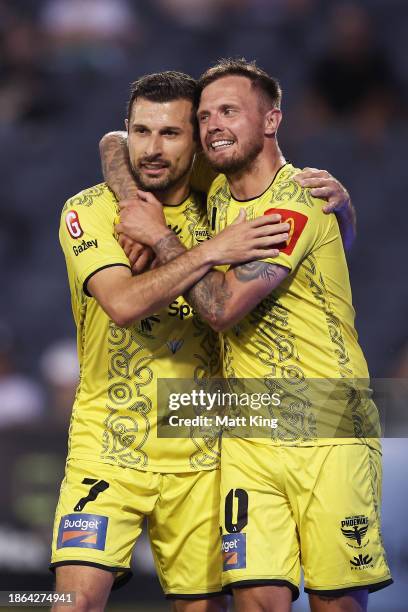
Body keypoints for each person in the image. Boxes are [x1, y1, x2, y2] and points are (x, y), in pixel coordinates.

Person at [104, 61, 391, 612]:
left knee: (335, 602)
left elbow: (221, 307)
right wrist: (127, 202)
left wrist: (159, 235)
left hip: (326, 416)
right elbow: (114, 139)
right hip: (246, 421)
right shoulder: (215, 188)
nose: (213, 125)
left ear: (271, 120)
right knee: (256, 599)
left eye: (229, 111)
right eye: (205, 115)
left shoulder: (294, 199)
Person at [52, 71, 294, 612]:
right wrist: (207, 251)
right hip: (107, 445)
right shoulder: (88, 209)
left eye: (170, 134)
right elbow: (122, 303)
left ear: (198, 143)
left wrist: (343, 204)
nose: (151, 149)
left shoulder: (226, 205)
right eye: (140, 132)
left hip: (202, 453)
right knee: (73, 603)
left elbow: (276, 173)